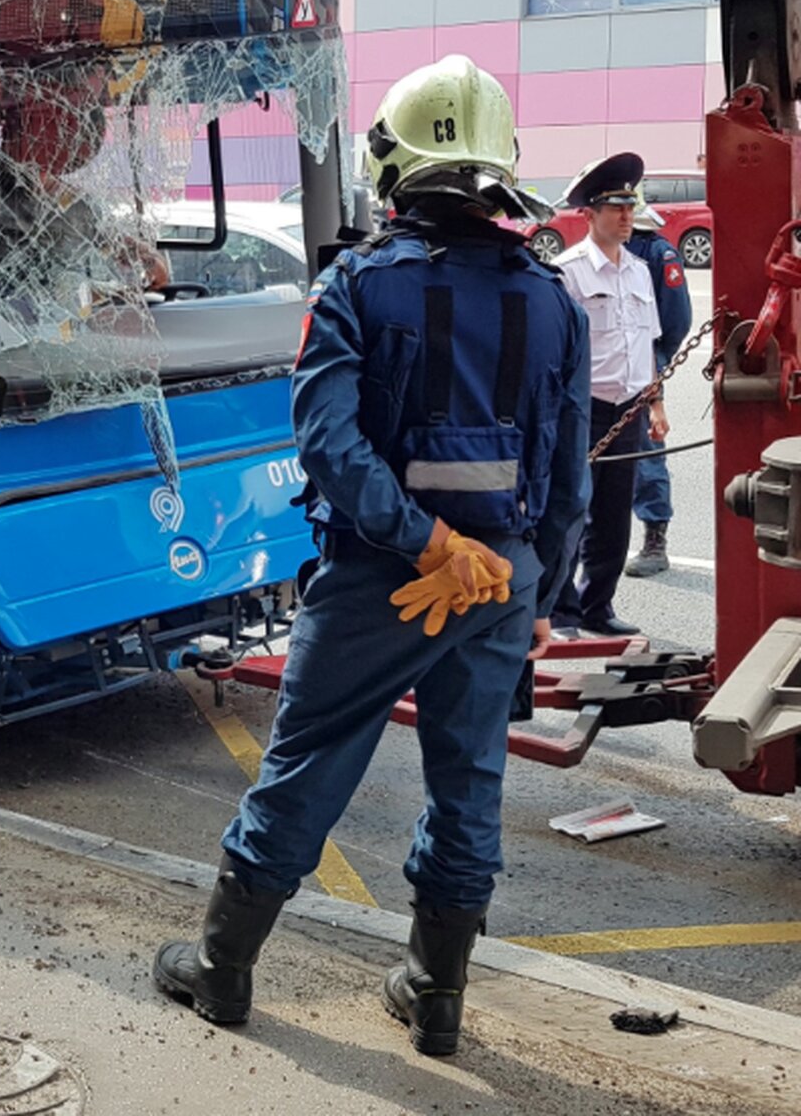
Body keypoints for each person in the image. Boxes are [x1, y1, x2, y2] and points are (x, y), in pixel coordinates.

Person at [152, 55, 591, 1057]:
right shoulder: (556, 300)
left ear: (394, 163)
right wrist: (531, 594)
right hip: (499, 577)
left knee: (309, 761)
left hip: (379, 583)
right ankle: (437, 997)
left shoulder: (357, 286)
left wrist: (421, 539)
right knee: (470, 779)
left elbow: (329, 447)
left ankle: (223, 973)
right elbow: (567, 486)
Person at [550, 154, 669, 638]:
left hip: (630, 409)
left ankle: (598, 606)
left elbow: (648, 344)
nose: (626, 215)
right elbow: (553, 354)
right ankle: (560, 612)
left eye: (629, 204)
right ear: (589, 214)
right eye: (615, 206)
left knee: (614, 516)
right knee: (568, 512)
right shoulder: (568, 273)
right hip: (580, 411)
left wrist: (656, 402)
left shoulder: (639, 271)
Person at [624, 198, 692, 577]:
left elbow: (677, 319)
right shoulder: (596, 254)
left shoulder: (656, 252)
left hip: (644, 361)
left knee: (647, 456)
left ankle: (655, 538)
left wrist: (659, 359)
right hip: (599, 369)